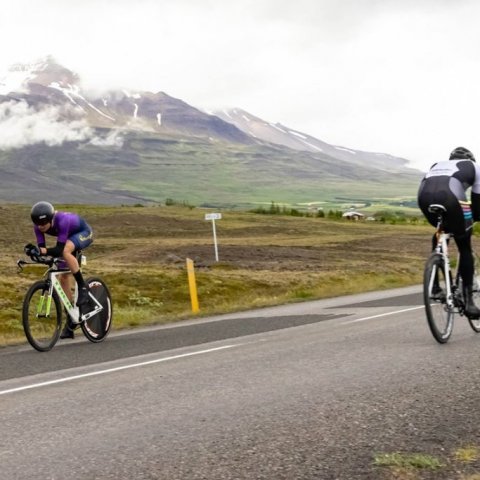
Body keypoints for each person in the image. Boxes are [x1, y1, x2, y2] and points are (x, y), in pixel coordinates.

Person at [418, 146, 480, 318]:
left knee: (440, 232)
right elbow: (477, 202)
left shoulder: (436, 165)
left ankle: (435, 287)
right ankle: (469, 302)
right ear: (470, 158)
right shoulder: (474, 167)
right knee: (463, 242)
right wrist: (471, 220)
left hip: (424, 197)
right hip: (451, 196)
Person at [24, 201, 94, 339]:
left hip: (83, 233)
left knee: (66, 251)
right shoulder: (38, 227)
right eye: (38, 224)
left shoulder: (62, 220)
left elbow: (58, 250)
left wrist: (41, 251)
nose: (41, 227)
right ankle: (71, 321)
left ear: (51, 219)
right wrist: (35, 253)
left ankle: (83, 287)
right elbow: (43, 250)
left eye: (44, 224)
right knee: (63, 278)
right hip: (68, 238)